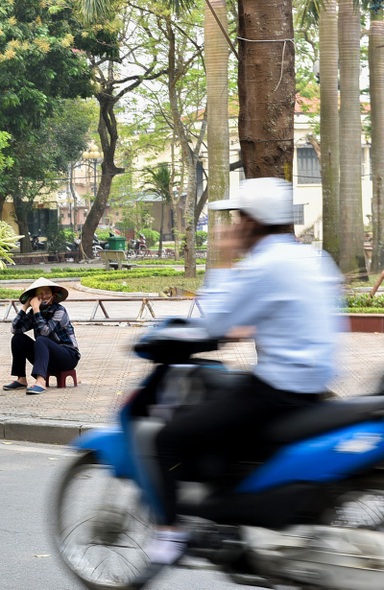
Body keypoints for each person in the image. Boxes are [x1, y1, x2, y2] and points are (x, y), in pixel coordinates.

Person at [145, 177, 345, 566]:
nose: (234, 225)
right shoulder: (313, 258)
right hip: (316, 386)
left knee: (168, 440)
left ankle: (170, 536)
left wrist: (221, 258)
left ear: (252, 222)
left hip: (277, 389)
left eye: (238, 217)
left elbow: (216, 323)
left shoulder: (264, 265)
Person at [4, 277, 80, 395]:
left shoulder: (60, 311)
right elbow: (15, 329)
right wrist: (25, 307)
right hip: (46, 358)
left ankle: (40, 381)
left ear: (53, 295)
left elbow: (45, 332)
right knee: (17, 339)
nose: (44, 296)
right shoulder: (34, 312)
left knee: (41, 339)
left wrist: (35, 308)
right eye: (40, 293)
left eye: (47, 292)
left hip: (68, 356)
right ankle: (21, 379)